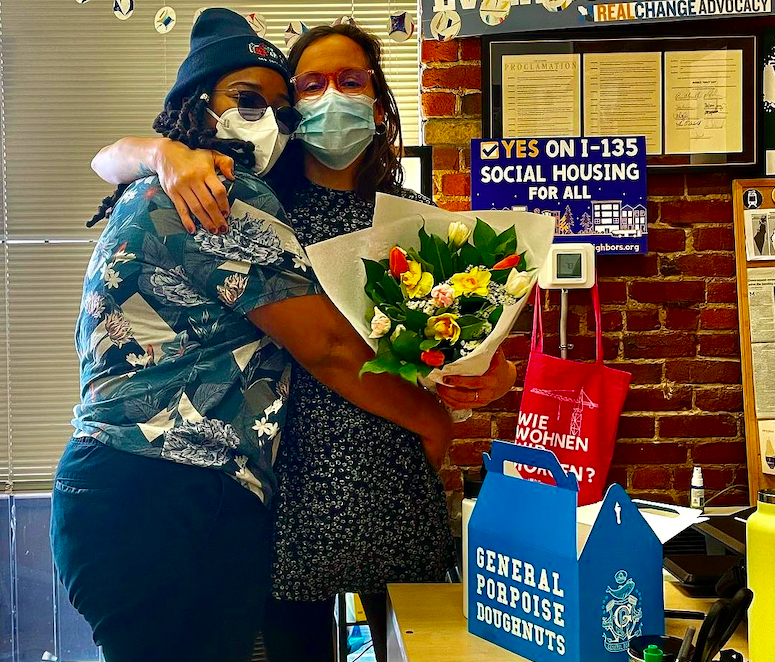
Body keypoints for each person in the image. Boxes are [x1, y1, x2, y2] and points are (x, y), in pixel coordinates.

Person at [90, 22, 517, 662]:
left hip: (393, 467)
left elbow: (453, 338)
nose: (330, 97)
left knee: (419, 646)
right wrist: (159, 151)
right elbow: (108, 162)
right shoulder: (247, 198)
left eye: (350, 81)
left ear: (378, 100)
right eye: (311, 84)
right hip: (281, 481)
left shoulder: (411, 214)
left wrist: (495, 374)